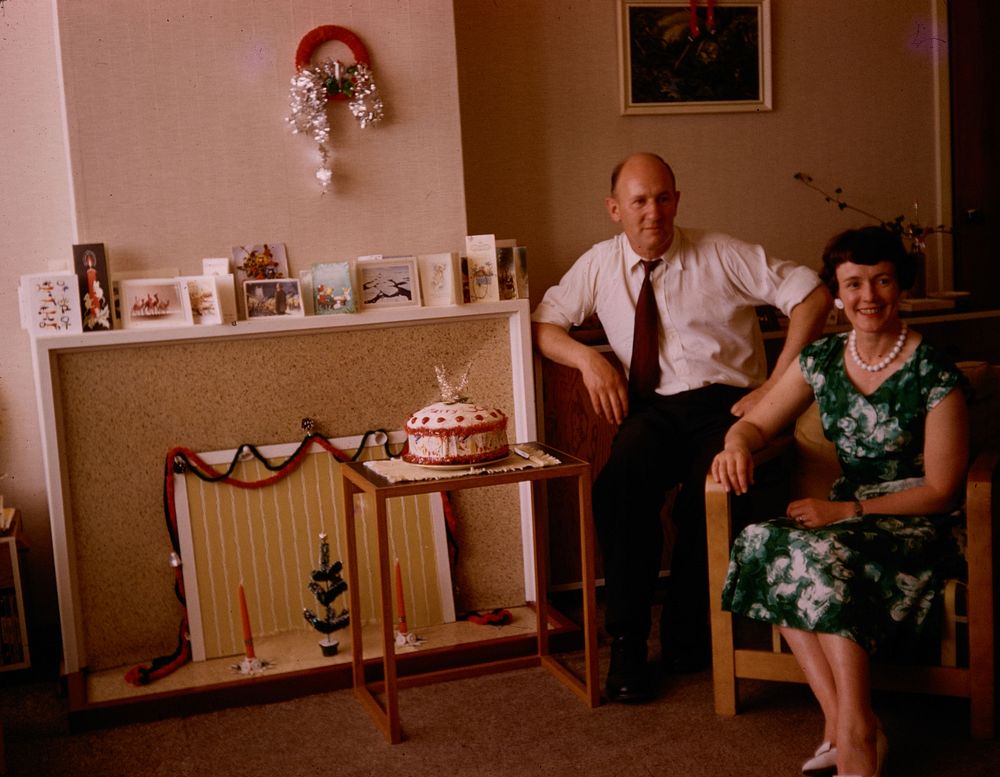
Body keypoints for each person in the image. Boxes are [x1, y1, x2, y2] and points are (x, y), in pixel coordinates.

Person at [531, 152, 831, 702]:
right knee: (619, 486)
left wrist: (776, 383)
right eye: (640, 201)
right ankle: (626, 645)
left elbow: (812, 294)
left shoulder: (721, 253)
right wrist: (590, 361)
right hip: (653, 410)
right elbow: (546, 323)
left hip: (727, 408)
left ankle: (687, 637)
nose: (654, 213)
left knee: (708, 495)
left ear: (677, 200)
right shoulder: (598, 265)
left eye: (664, 198)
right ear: (614, 208)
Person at [710, 226, 968, 777]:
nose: (868, 297)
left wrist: (846, 513)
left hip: (914, 522)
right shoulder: (823, 358)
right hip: (843, 520)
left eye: (881, 281)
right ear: (837, 293)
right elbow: (758, 424)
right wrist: (735, 443)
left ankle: (851, 738)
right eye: (853, 284)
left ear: (901, 287)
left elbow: (943, 490)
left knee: (819, 554)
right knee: (762, 539)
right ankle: (852, 723)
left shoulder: (934, 373)